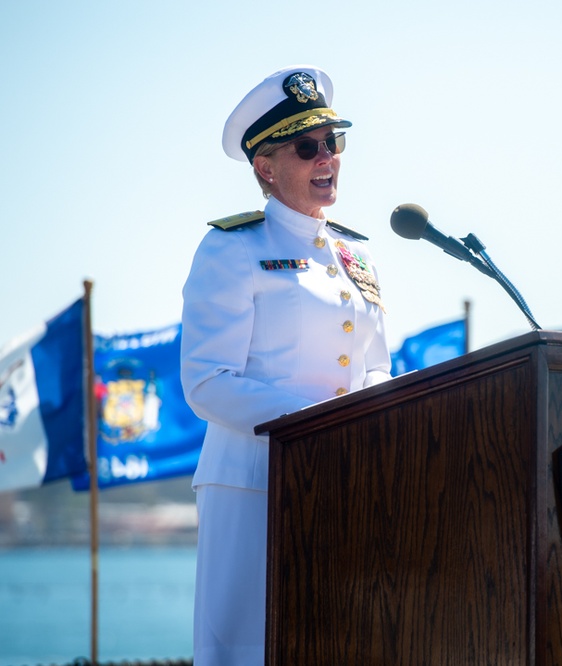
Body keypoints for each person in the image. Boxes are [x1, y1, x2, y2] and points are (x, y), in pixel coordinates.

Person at [180, 65, 392, 666]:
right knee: (249, 653)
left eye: (333, 142)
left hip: (348, 482)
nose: (326, 157)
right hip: (253, 486)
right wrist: (320, 420)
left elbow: (375, 369)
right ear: (266, 168)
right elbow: (206, 383)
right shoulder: (233, 247)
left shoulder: (356, 256)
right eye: (307, 147)